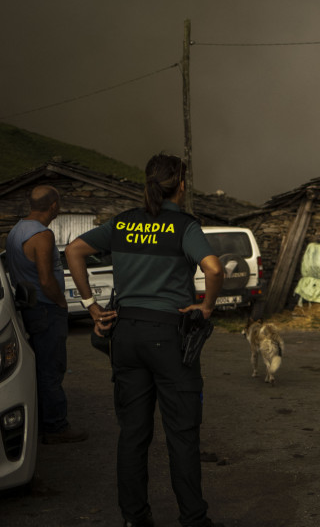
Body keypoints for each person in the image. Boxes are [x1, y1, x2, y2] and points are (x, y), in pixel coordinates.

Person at [66, 154, 224, 527]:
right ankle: (193, 519)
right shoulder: (184, 226)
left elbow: (73, 250)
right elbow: (214, 268)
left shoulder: (122, 223)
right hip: (169, 337)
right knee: (181, 434)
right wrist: (206, 307)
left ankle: (135, 518)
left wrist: (91, 306)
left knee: (133, 433)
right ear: (180, 185)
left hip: (125, 334)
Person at [5, 185, 87, 444]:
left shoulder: (16, 230)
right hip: (45, 308)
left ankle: (40, 423)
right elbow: (46, 278)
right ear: (53, 206)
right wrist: (61, 302)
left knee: (39, 367)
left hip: (29, 307)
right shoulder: (42, 235)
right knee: (52, 368)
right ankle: (55, 427)